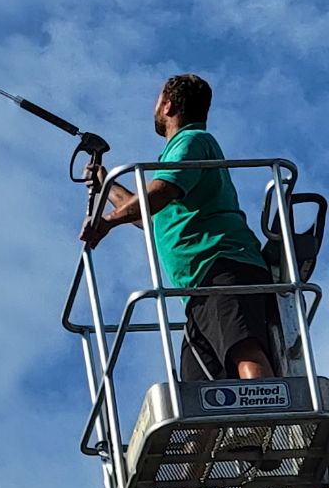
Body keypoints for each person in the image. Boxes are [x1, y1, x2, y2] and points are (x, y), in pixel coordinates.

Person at [80, 73, 275, 382]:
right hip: (198, 286)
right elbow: (150, 216)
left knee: (243, 348)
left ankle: (270, 414)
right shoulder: (179, 156)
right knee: (198, 389)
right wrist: (108, 186)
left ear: (168, 105)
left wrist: (107, 222)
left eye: (157, 100)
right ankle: (239, 427)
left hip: (222, 266)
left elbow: (160, 192)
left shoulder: (191, 140)